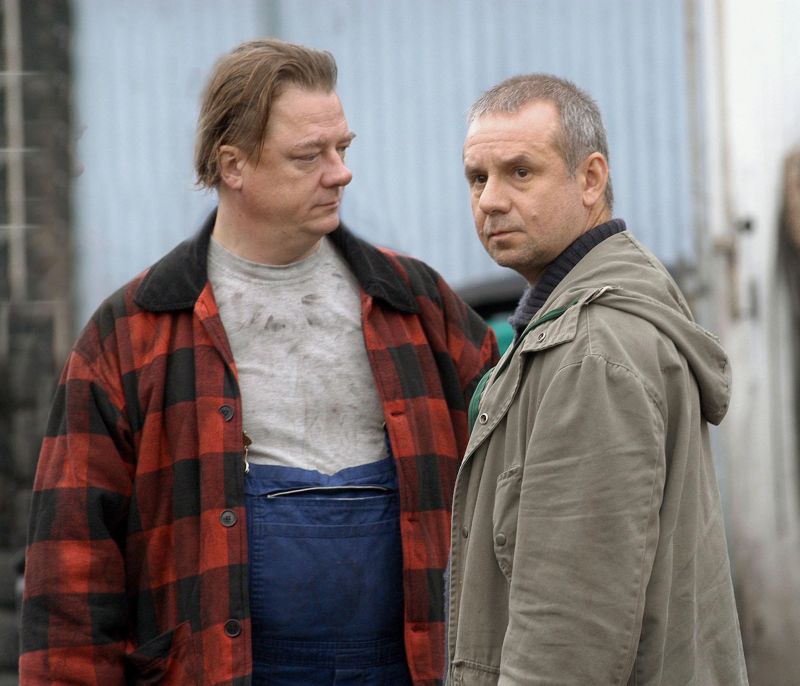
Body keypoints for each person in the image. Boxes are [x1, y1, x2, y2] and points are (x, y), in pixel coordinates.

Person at [20, 39, 497, 685]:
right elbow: (70, 580)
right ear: (233, 165)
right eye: (309, 156)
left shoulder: (418, 307)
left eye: (343, 148)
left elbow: (519, 486)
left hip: (411, 668)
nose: (341, 173)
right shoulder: (132, 334)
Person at [446, 74, 749, 685]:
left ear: (590, 179)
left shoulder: (593, 351)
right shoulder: (569, 325)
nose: (490, 201)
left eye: (520, 172)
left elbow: (568, 635)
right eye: (478, 178)